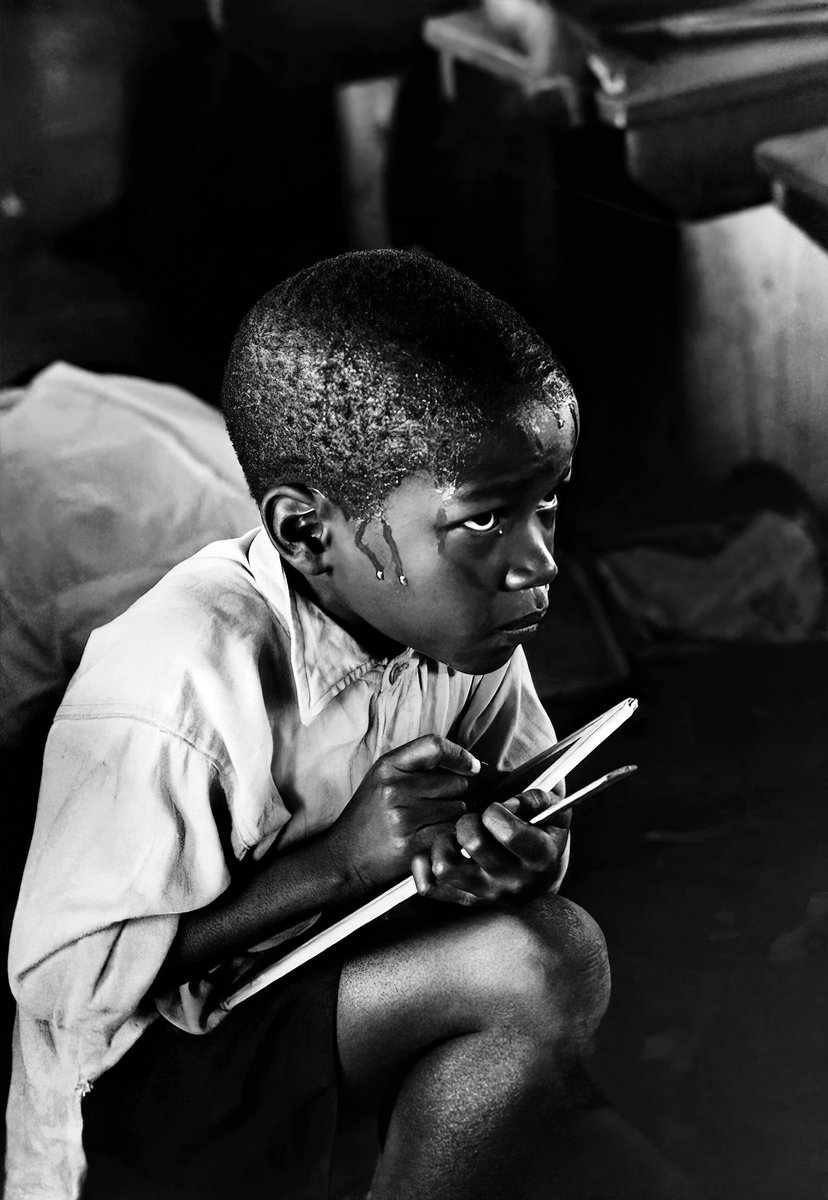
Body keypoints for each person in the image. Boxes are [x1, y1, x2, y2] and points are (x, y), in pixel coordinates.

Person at [6, 250, 690, 1200]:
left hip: (321, 999)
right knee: (542, 964)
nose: (538, 562)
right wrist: (342, 863)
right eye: (487, 523)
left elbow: (534, 795)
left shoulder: (459, 625)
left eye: (549, 504)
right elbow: (65, 987)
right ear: (305, 534)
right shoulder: (186, 681)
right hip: (141, 1089)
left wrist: (518, 854)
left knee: (617, 1141)